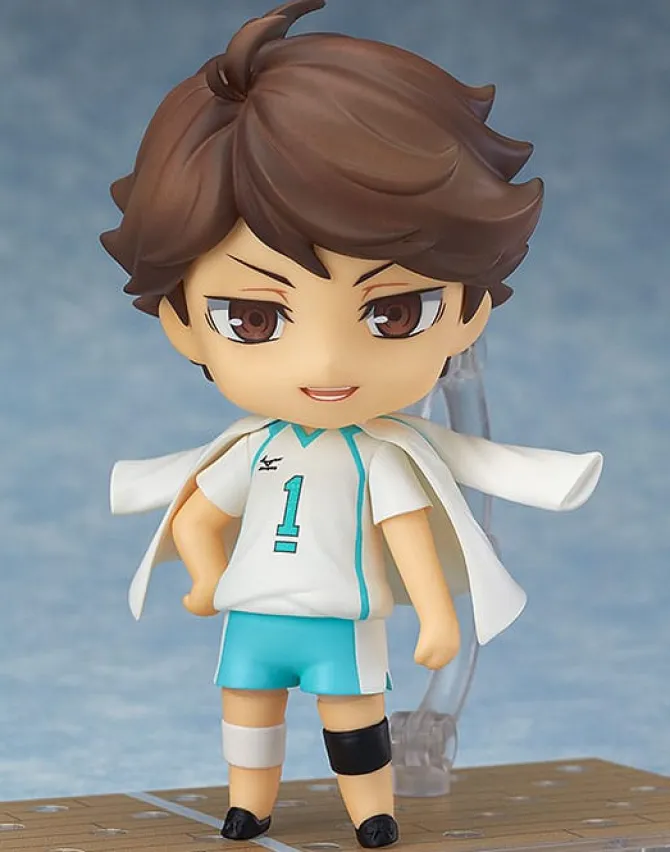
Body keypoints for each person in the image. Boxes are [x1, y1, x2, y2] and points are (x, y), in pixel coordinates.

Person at [103, 1, 603, 847]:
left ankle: (372, 810)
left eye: (393, 313)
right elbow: (197, 513)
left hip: (342, 617)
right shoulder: (252, 450)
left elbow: (406, 532)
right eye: (255, 319)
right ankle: (248, 804)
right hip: (255, 615)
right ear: (183, 323)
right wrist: (203, 577)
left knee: (355, 720)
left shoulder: (381, 456)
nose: (328, 363)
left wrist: (437, 617)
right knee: (246, 709)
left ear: (469, 311)